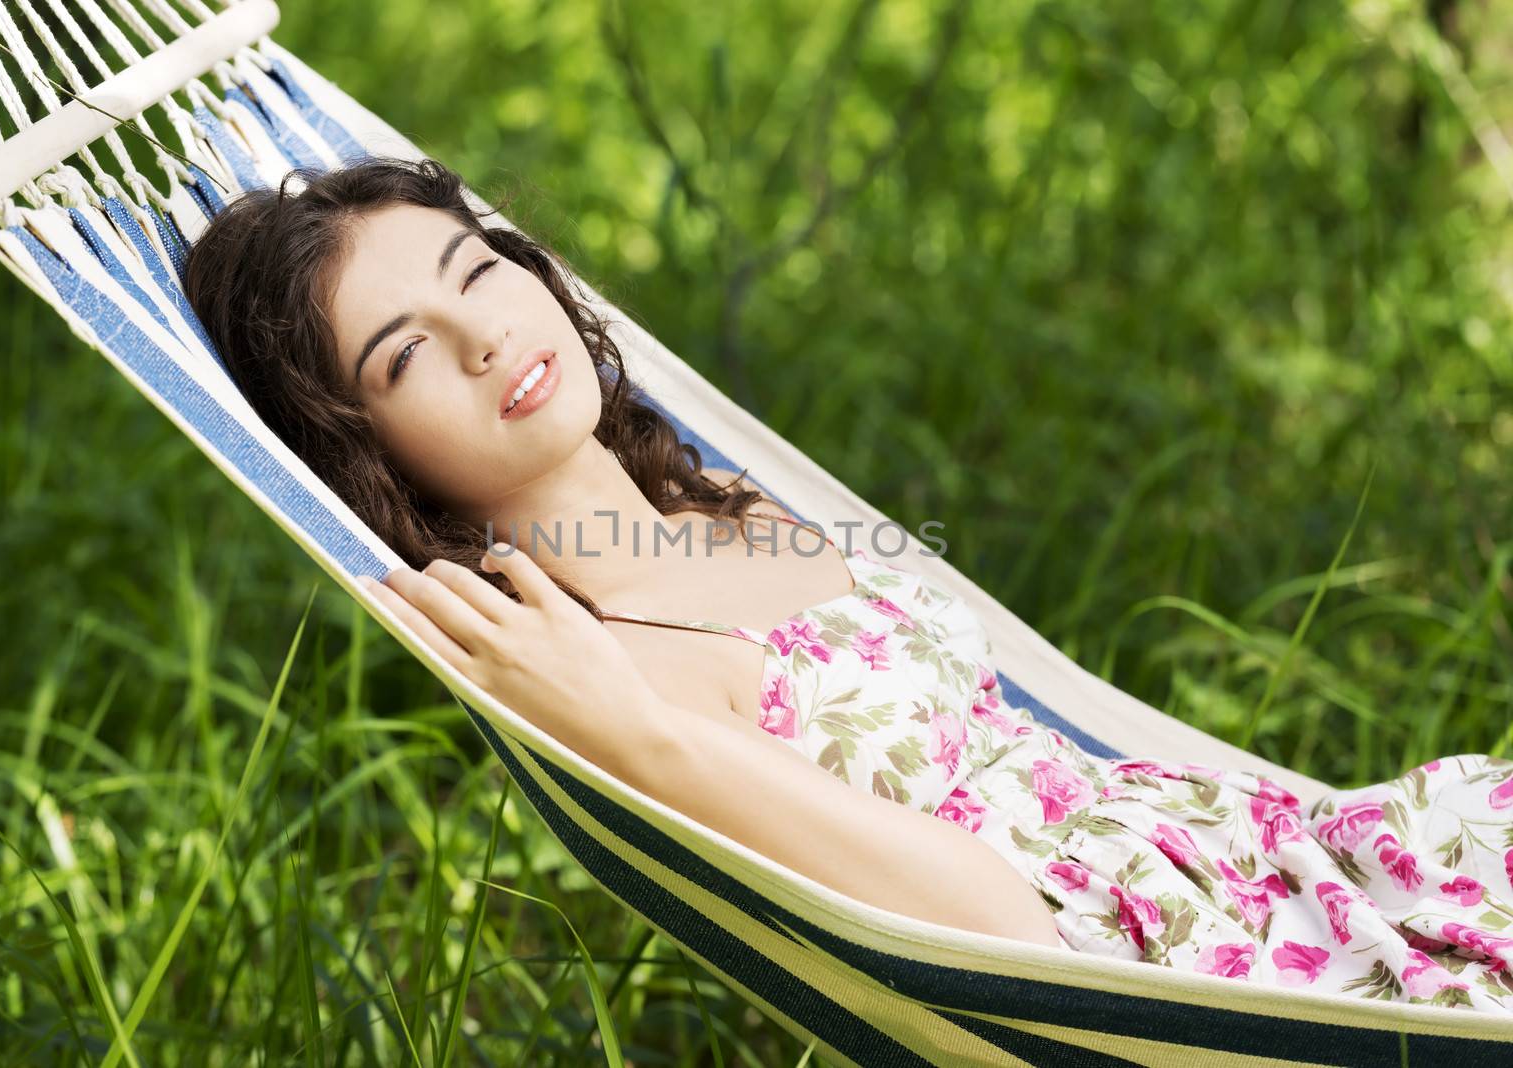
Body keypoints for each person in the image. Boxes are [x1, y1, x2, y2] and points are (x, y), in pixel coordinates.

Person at [181, 155, 1513, 1013]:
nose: (488, 334)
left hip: (1280, 852)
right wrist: (635, 738)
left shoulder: (711, 488)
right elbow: (1000, 937)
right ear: (365, 449)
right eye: (409, 354)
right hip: (1192, 974)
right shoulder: (607, 673)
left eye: (480, 269)